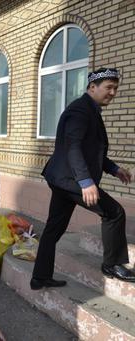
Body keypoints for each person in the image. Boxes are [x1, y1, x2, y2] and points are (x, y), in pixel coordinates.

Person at [31, 68, 135, 290]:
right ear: (92, 87)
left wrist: (115, 169)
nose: (113, 92)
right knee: (114, 212)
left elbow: (91, 151)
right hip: (71, 180)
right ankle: (113, 264)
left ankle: (40, 277)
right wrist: (86, 182)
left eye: (115, 88)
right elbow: (73, 146)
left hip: (62, 180)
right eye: (109, 87)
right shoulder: (80, 110)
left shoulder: (90, 110)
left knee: (53, 228)